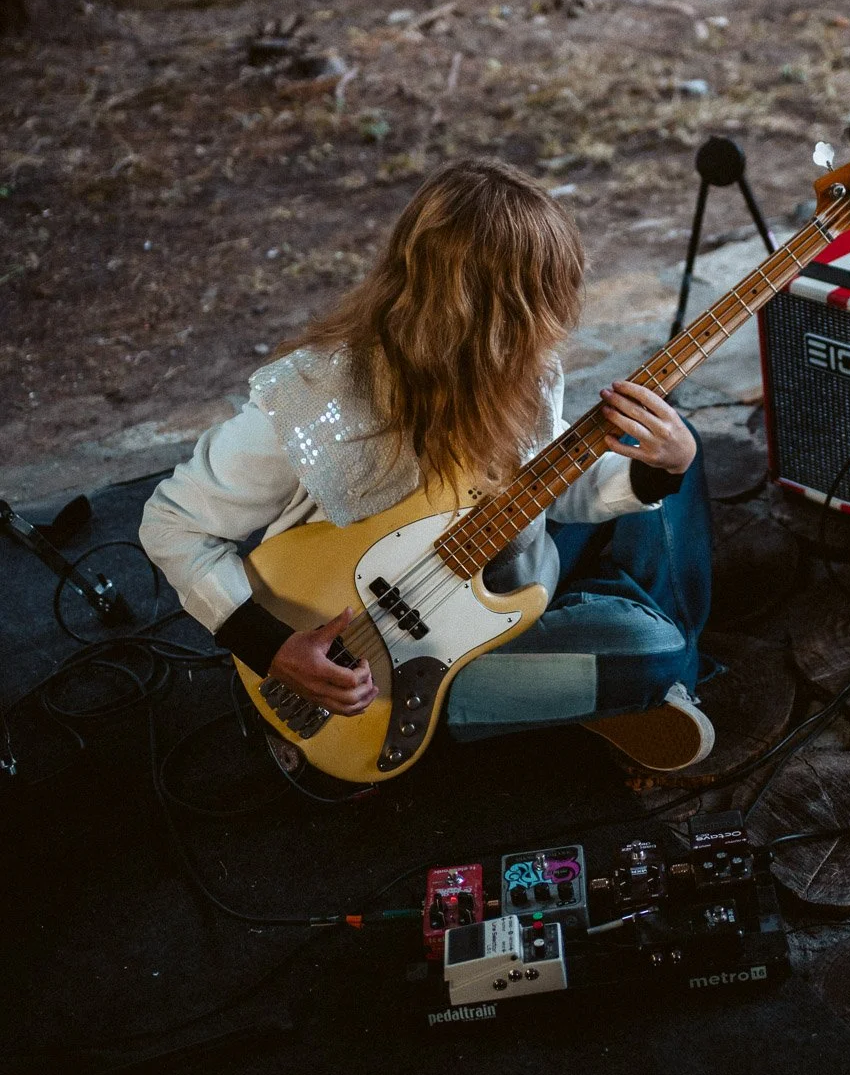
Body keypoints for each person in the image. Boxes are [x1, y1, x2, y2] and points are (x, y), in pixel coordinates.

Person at [139, 160, 716, 773]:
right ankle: (619, 663)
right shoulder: (312, 398)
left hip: (503, 568)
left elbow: (545, 493)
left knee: (677, 452)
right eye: (545, 301)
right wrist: (274, 649)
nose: (560, 321)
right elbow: (172, 525)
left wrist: (661, 471)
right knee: (658, 652)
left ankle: (595, 666)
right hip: (406, 662)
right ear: (499, 319)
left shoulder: (527, 370)